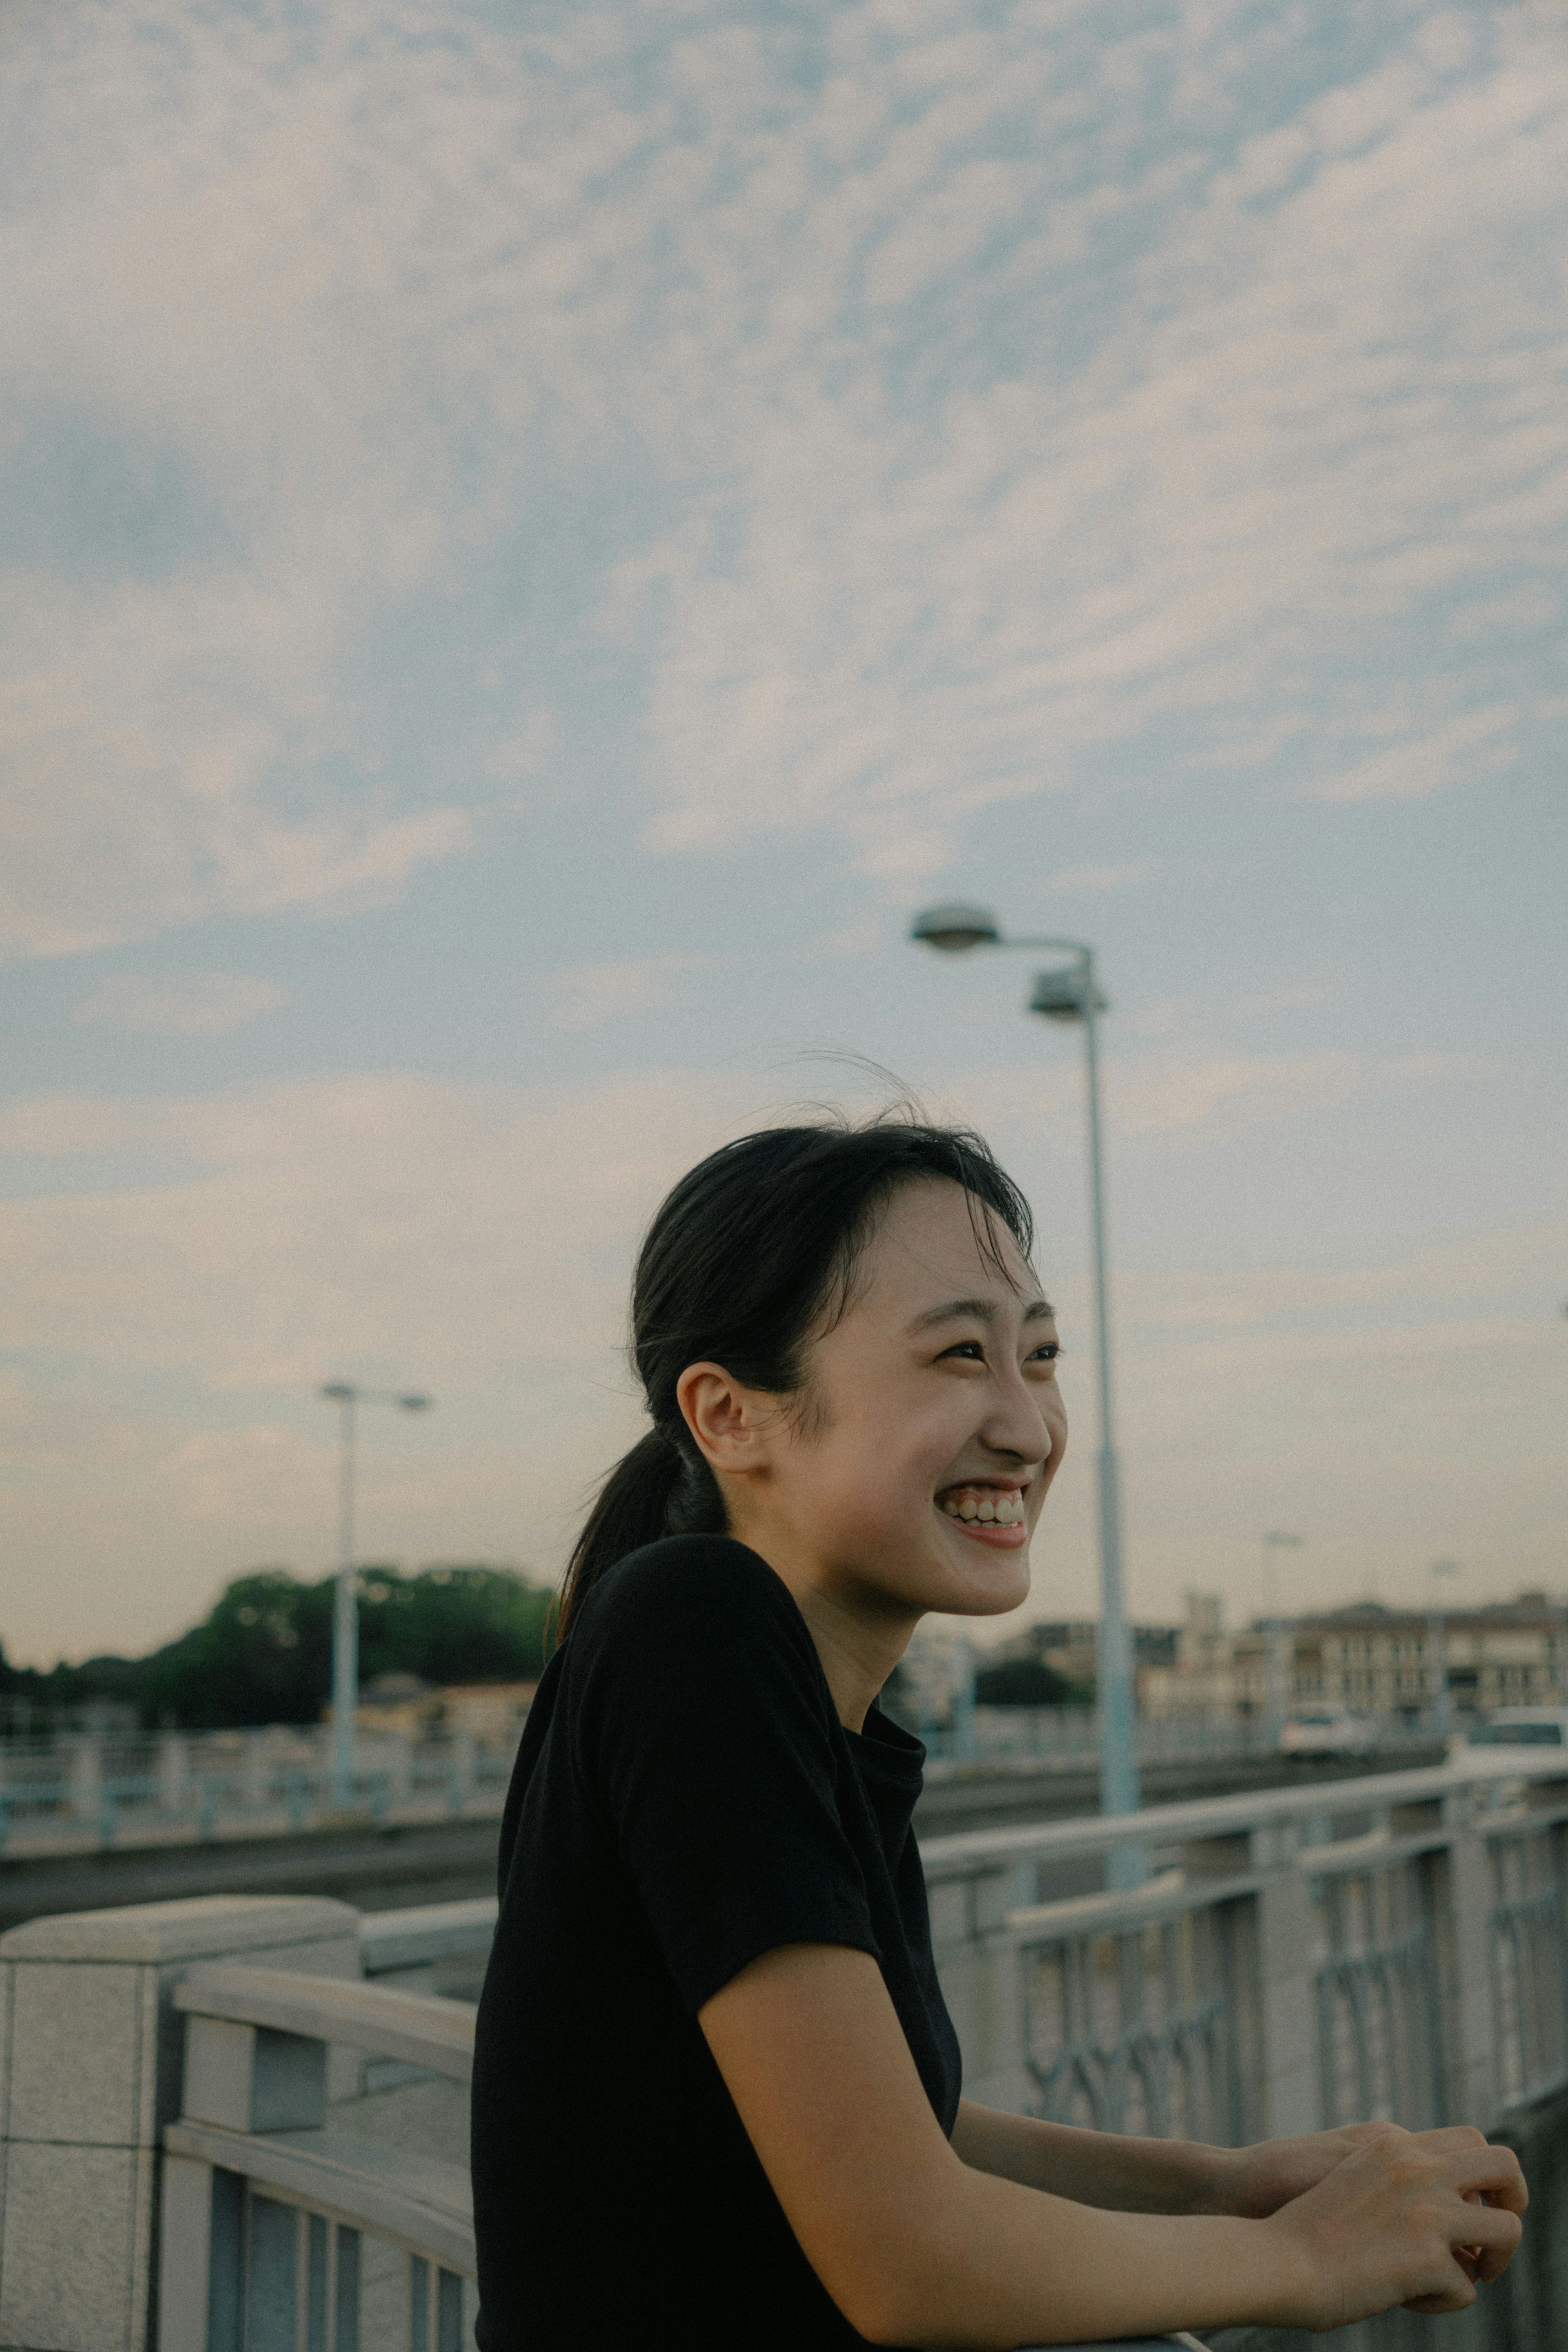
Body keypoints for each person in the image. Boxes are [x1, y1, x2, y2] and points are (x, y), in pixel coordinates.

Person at [470, 1116, 1525, 2349]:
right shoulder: (695, 1626)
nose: (1028, 1427)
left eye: (1042, 1356)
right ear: (732, 1416)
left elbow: (877, 2121)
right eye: (961, 1356)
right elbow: (908, 2259)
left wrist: (1219, 2185)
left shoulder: (808, 1700)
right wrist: (1301, 2255)